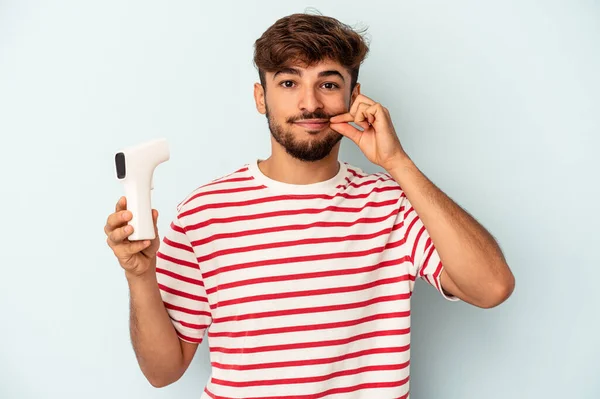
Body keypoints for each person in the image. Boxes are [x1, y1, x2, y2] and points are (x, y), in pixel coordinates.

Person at [104, 12, 515, 399]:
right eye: (288, 83)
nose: (310, 103)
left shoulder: (393, 204)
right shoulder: (203, 213)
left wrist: (397, 163)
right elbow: (163, 372)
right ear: (260, 98)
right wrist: (139, 276)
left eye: (329, 83)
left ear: (354, 98)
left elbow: (492, 287)